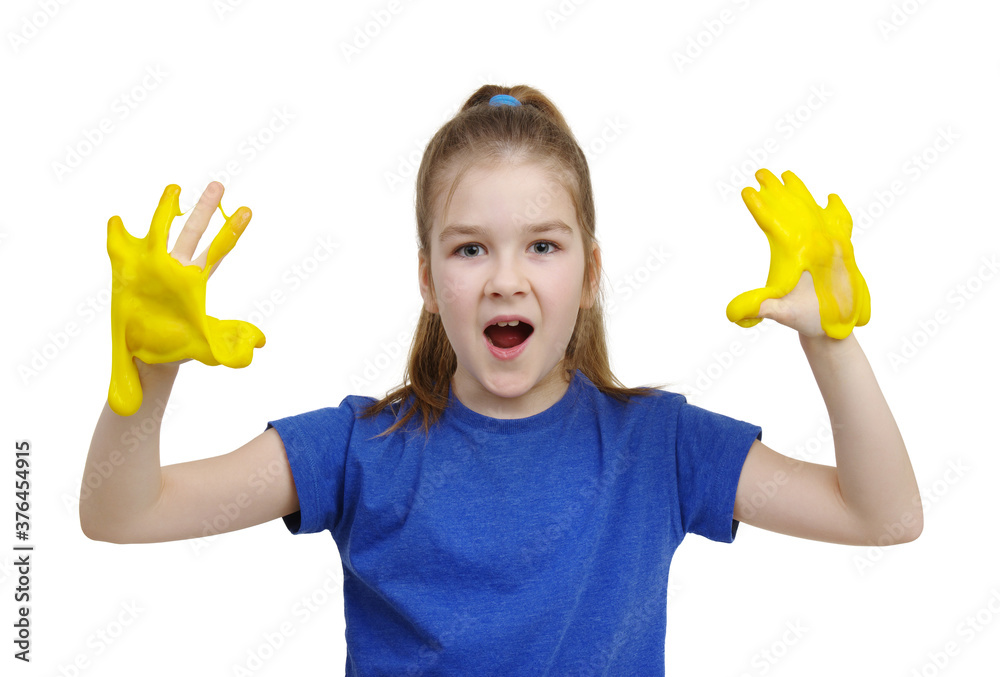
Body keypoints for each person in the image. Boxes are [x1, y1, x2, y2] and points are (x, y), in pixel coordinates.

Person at [81, 84, 922, 675]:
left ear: (590, 273)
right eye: (470, 247)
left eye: (543, 245)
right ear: (426, 276)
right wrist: (149, 372)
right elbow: (123, 513)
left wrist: (832, 344)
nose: (506, 279)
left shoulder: (658, 447)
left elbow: (883, 516)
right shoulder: (357, 448)